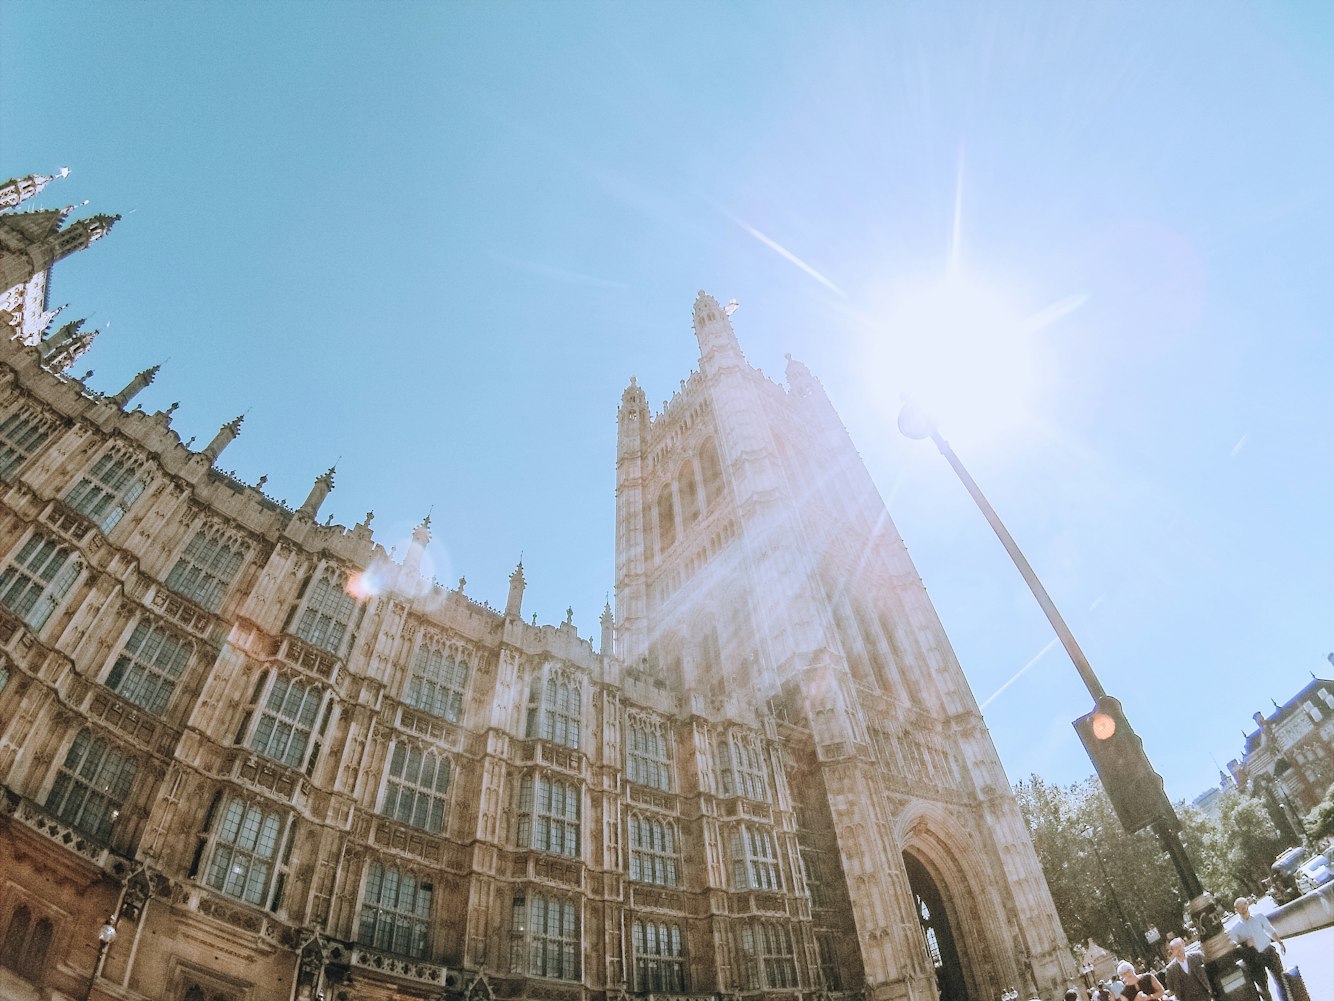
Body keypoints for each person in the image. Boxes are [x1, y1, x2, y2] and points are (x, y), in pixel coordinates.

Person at [1229, 897, 1288, 1001]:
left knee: (1281, 980)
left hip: (1268, 951)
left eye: (1244, 905)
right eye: (1240, 907)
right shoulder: (1235, 928)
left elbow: (1269, 930)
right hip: (1254, 959)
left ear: (1247, 904)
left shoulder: (1258, 916)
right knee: (1263, 987)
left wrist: (1280, 942)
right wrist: (1244, 944)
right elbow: (1234, 947)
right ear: (1236, 910)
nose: (1243, 909)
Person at [1162, 937, 1214, 1001]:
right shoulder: (1170, 969)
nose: (1179, 949)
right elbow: (1171, 987)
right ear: (1172, 951)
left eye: (1180, 946)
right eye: (1176, 948)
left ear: (1183, 945)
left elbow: (1209, 972)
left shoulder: (1197, 956)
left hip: (1204, 995)